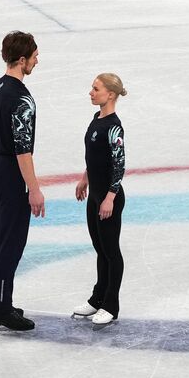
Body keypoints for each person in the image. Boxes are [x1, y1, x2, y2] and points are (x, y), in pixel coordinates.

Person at [0, 31, 46, 331]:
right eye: (34, 56)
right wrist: (34, 189)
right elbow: (23, 149)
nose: (37, 60)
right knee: (11, 243)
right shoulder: (22, 98)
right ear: (22, 60)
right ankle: (2, 310)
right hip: (11, 171)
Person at [73, 73, 127, 326]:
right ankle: (97, 298)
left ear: (111, 94)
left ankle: (110, 305)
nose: (91, 92)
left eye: (96, 89)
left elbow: (119, 165)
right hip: (94, 193)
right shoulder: (97, 119)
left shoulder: (114, 126)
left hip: (108, 197)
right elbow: (94, 158)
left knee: (111, 251)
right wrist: (85, 179)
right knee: (100, 249)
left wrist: (110, 198)